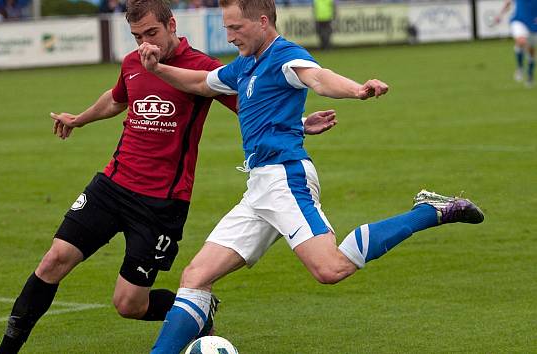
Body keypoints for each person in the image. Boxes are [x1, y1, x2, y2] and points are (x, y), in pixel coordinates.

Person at [137, 0, 485, 352]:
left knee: (331, 269)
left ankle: (429, 212)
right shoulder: (244, 66)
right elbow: (200, 83)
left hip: (285, 179)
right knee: (196, 278)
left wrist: (356, 90)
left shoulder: (284, 55)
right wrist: (158, 69)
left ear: (261, 22)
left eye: (235, 28)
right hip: (258, 187)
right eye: (226, 28)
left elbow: (317, 77)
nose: (228, 37)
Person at [0, 1, 336, 353]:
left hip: (160, 204)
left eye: (152, 33)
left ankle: (198, 310)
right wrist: (78, 119)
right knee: (53, 261)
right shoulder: (134, 62)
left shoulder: (202, 69)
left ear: (172, 25)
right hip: (112, 185)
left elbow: (253, 105)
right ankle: (4, 351)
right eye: (137, 36)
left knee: (129, 304)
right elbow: (115, 99)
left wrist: (300, 124)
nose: (145, 44)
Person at [495, 0, 537, 88]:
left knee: (531, 51)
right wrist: (500, 15)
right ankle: (520, 67)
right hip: (519, 20)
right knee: (521, 41)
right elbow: (508, 2)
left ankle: (530, 75)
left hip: (533, 23)